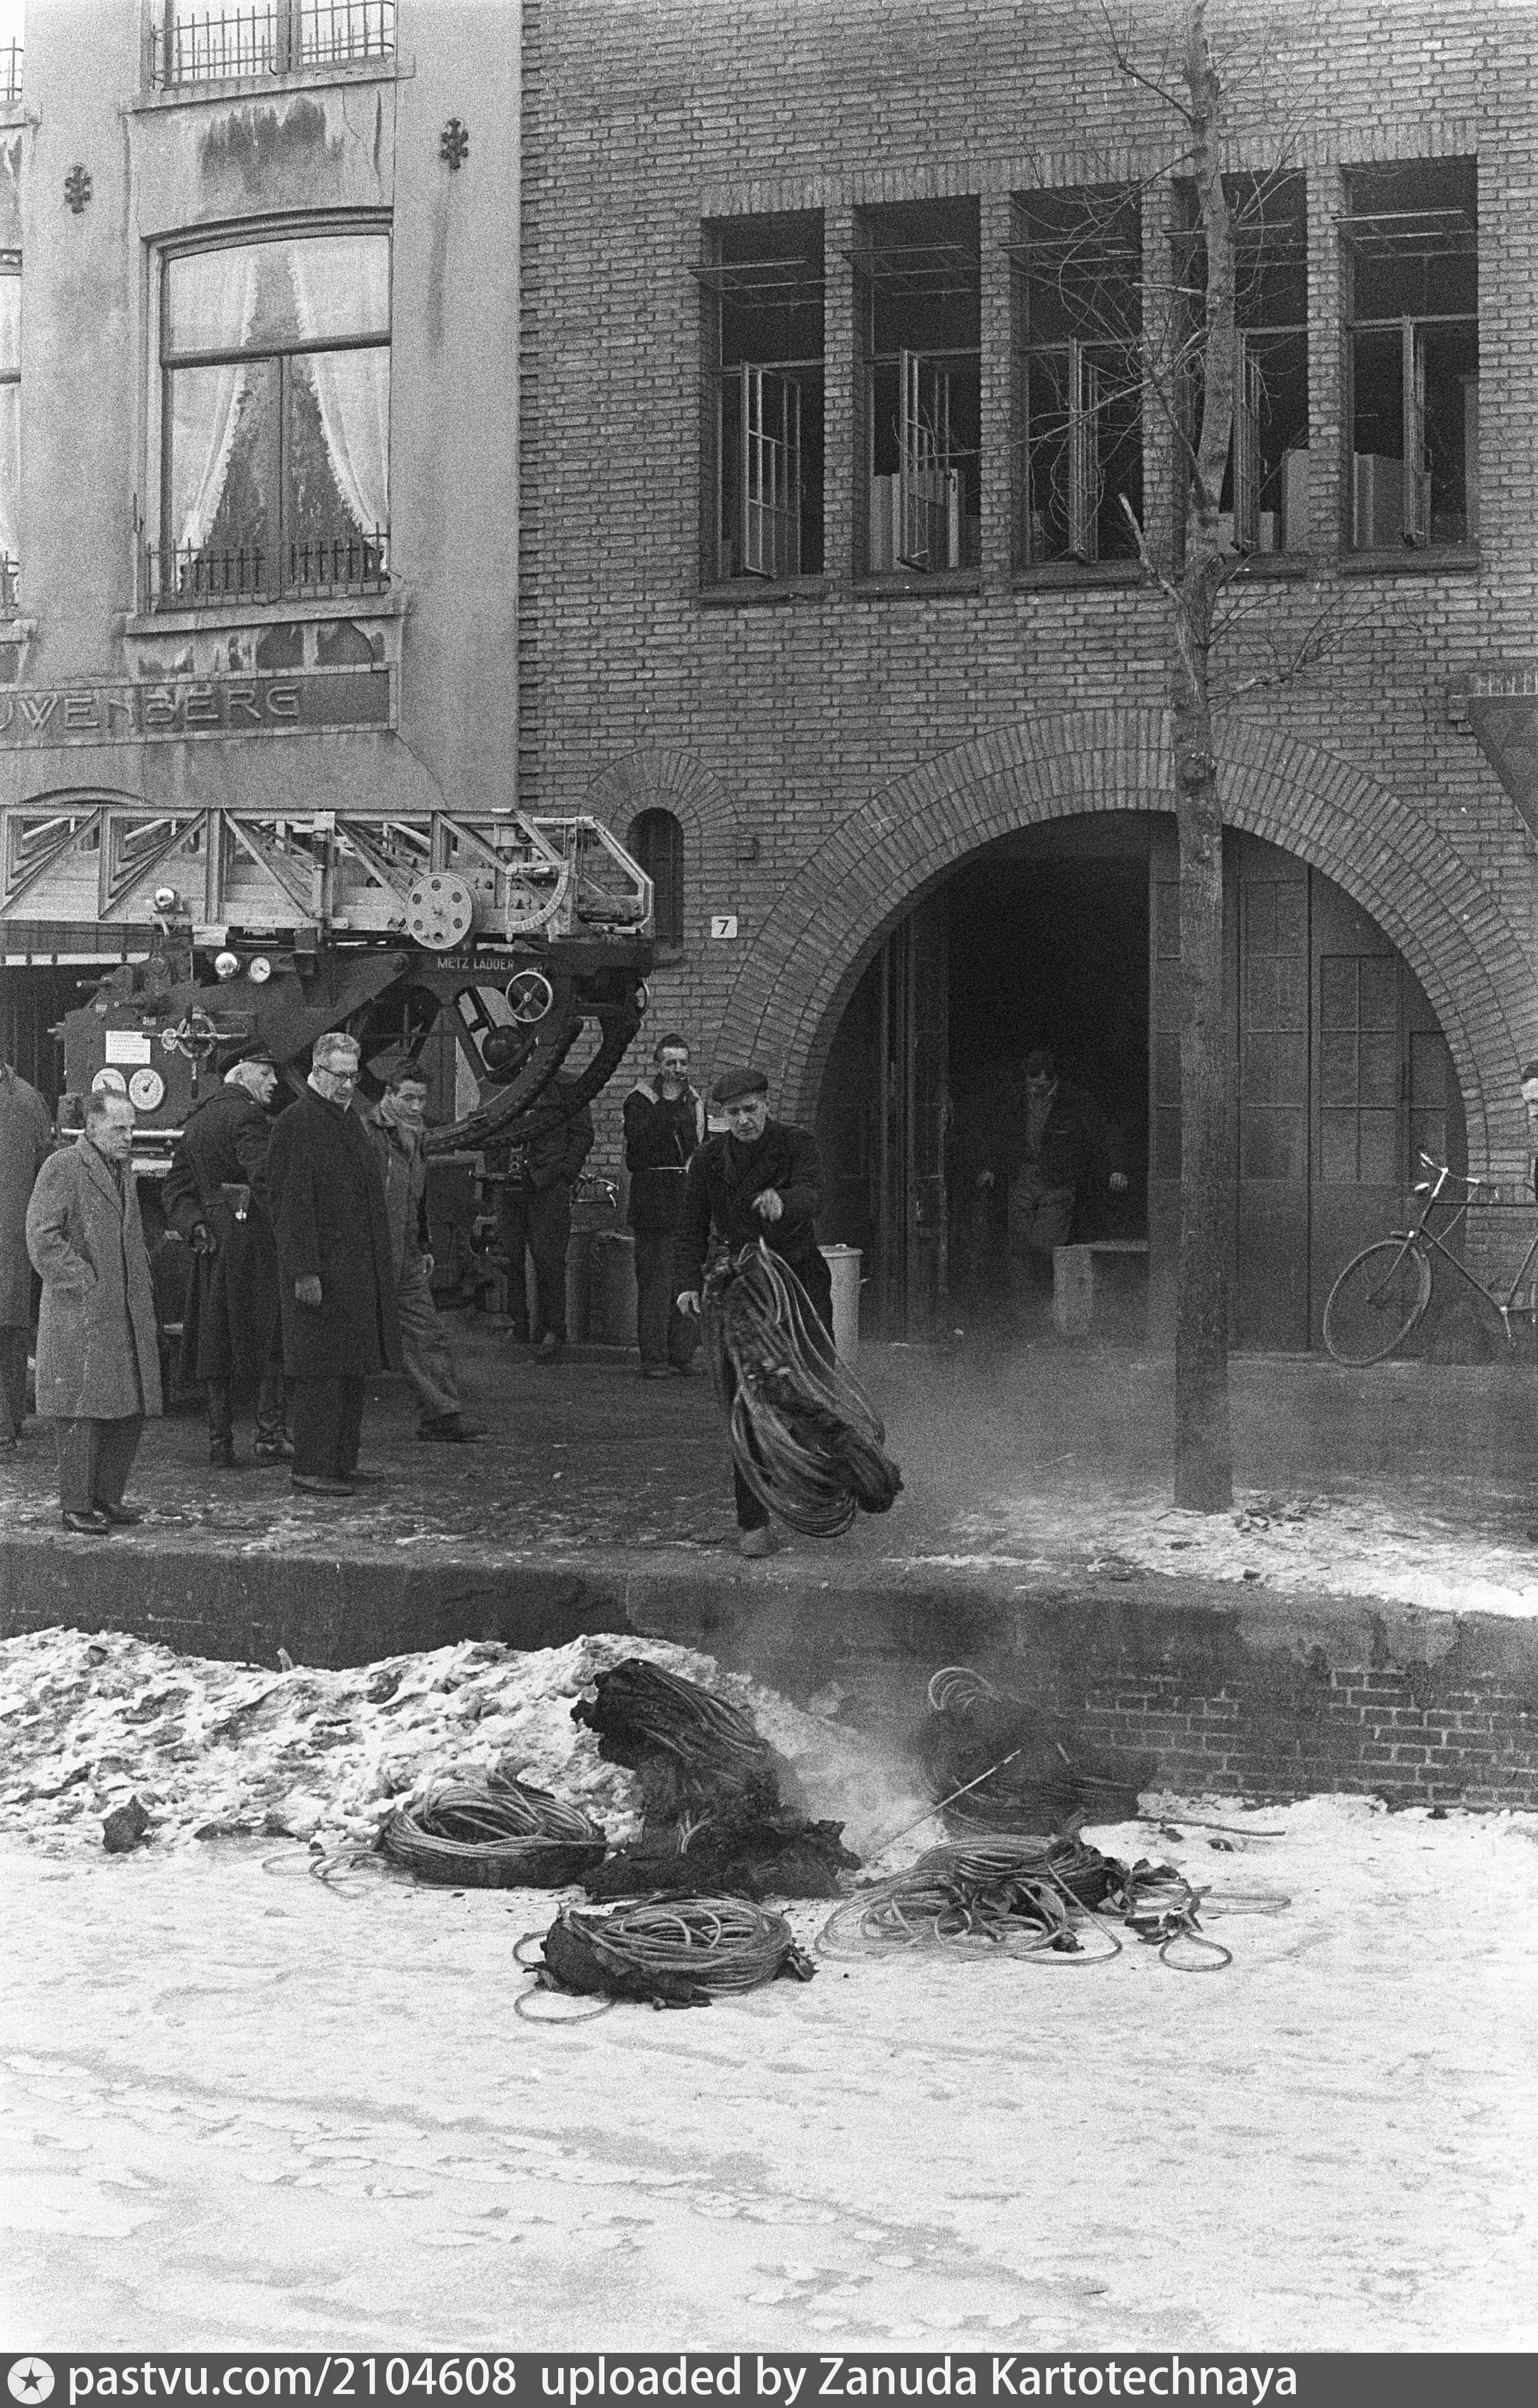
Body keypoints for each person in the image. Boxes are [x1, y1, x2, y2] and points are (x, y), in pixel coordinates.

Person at [674, 1065, 833, 1559]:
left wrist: (783, 1202)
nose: (743, 1121)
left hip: (798, 1281)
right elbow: (690, 1225)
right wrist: (686, 1284)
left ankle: (820, 1485)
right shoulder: (708, 1161)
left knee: (810, 1389)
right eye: (733, 1113)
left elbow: (814, 1194)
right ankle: (753, 1521)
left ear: (767, 1106)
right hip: (741, 1288)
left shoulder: (796, 1145)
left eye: (750, 1110)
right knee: (747, 1401)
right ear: (722, 1116)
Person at [266, 1031, 401, 1497]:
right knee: (320, 1373)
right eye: (338, 1075)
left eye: (353, 1076)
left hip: (353, 1272)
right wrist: (305, 1271)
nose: (347, 1085)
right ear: (316, 1071)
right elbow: (290, 1204)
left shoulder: (346, 1121)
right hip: (321, 1273)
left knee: (350, 1369)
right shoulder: (297, 1122)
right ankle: (312, 1466)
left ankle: (341, 1463)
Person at [25, 1090, 162, 1535]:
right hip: (81, 1313)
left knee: (127, 1406)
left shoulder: (123, 1170)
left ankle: (106, 1497)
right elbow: (42, 1237)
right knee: (80, 1409)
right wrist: (84, 1280)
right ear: (93, 1126)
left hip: (123, 1309)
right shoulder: (64, 1166)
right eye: (119, 1128)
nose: (128, 1137)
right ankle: (76, 1505)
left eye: (132, 1128)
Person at [162, 1043, 291, 1469]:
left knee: (216, 1340)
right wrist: (292, 1230)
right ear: (241, 1073)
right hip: (254, 1241)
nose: (274, 1082)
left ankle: (220, 1444)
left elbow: (176, 1189)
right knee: (270, 1336)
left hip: (214, 1246)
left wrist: (195, 1225)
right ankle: (270, 1437)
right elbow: (266, 1178)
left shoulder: (198, 1122)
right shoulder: (248, 1116)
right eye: (265, 1073)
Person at [360, 1066, 486, 1443]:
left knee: (426, 1334)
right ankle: (319, 1429)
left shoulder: (415, 1137)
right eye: (408, 1098)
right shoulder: (368, 1134)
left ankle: (442, 1416)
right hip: (370, 1254)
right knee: (342, 1338)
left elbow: (416, 1197)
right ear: (388, 1095)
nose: (417, 1107)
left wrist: (423, 1245)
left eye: (422, 1099)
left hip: (406, 1256)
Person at [977, 1045, 1129, 1303]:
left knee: (1044, 1245)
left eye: (1038, 1086)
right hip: (1023, 1178)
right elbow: (1001, 1133)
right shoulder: (1017, 1099)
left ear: (1051, 1078)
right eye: (1029, 1084)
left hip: (1058, 1182)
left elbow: (1103, 1133)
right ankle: (1025, 1310)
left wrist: (1117, 1167)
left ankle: (1047, 1304)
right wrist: (990, 1167)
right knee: (1019, 1247)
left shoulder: (1075, 1101)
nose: (1033, 1090)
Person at [623, 1031, 705, 1381]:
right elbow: (640, 1148)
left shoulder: (695, 1101)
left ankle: (682, 1353)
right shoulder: (640, 1100)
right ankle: (654, 1357)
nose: (678, 1069)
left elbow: (698, 1147)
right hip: (654, 1200)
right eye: (671, 1062)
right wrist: (668, 1104)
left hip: (686, 1199)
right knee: (656, 1283)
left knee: (687, 1278)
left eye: (683, 1063)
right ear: (658, 1065)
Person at [495, 1075, 594, 1363]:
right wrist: (497, 1167)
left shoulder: (567, 1088)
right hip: (509, 1184)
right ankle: (520, 1325)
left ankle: (553, 1330)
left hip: (548, 1187)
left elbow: (582, 1134)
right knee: (510, 1258)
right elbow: (490, 1127)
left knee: (549, 1261)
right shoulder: (506, 1087)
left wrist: (565, 1173)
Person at [0, 1057, 53, 1462]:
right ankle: (11, 1420)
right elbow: (45, 1166)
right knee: (12, 1327)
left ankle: (7, 1424)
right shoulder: (29, 1099)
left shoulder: (25, 1101)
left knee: (11, 1327)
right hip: (16, 1235)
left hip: (13, 1232)